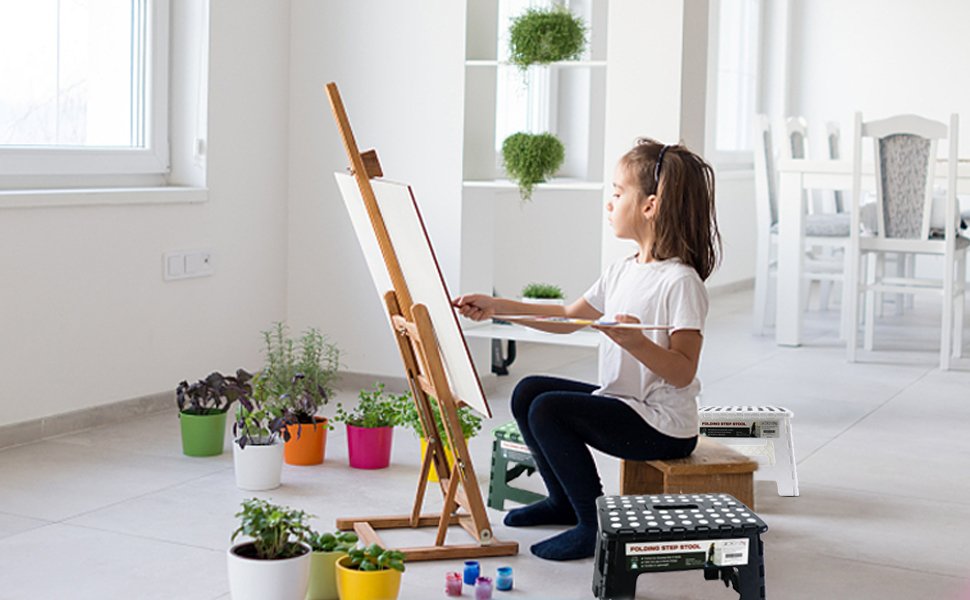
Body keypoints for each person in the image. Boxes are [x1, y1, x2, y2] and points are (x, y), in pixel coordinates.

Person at [454, 138, 721, 561]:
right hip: (625, 404)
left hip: (664, 425)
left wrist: (636, 344)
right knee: (528, 392)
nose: (609, 203)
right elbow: (567, 317)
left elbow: (683, 371)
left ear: (650, 206)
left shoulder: (680, 281)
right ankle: (563, 502)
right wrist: (497, 308)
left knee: (549, 410)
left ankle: (592, 524)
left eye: (617, 194)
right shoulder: (622, 270)